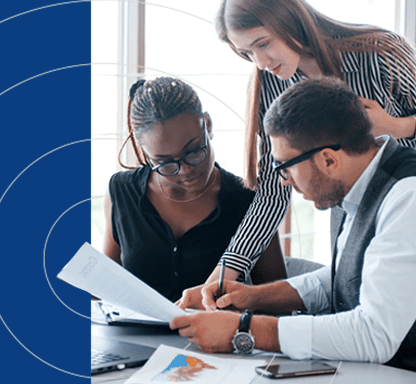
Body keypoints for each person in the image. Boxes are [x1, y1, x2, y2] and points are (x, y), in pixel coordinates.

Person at [172, 78, 416, 384]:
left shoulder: (414, 199)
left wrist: (243, 330)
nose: (284, 180)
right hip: (396, 366)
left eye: (286, 167)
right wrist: (252, 297)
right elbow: (346, 276)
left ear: (328, 160)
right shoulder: (357, 184)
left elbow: (373, 336)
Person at [192, 0, 416, 307]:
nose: (260, 61)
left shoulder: (379, 53)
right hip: (349, 209)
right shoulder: (271, 83)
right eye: (247, 53)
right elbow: (272, 193)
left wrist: (394, 126)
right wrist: (223, 275)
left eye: (263, 44)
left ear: (289, 19)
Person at [102, 77, 290, 303]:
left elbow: (278, 303)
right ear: (146, 153)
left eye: (193, 151)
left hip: (216, 337)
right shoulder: (121, 192)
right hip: (130, 337)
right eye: (165, 163)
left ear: (207, 125)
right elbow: (104, 288)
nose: (185, 171)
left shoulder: (248, 199)